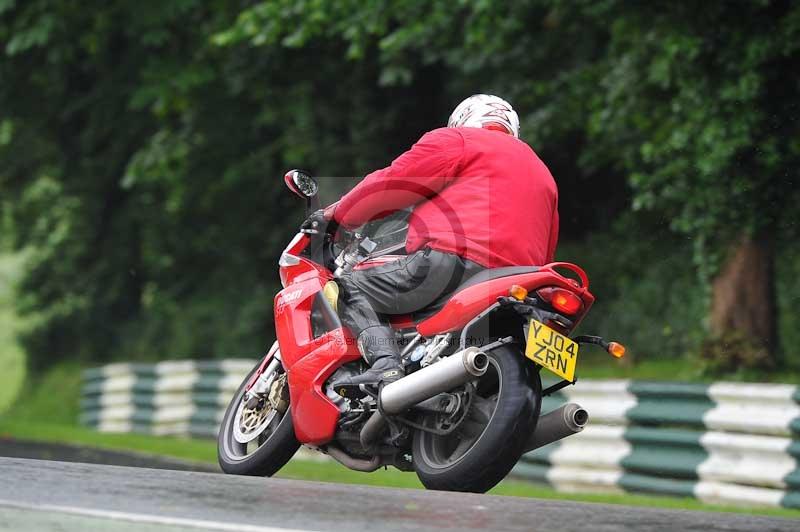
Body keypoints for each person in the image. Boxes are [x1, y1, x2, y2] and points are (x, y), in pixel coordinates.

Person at [308, 94, 559, 392]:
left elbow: (394, 183)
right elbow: (547, 242)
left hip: (456, 261)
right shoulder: (543, 173)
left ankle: (385, 367)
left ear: (463, 120)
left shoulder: (460, 140)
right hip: (521, 282)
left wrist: (336, 216)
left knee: (350, 286)